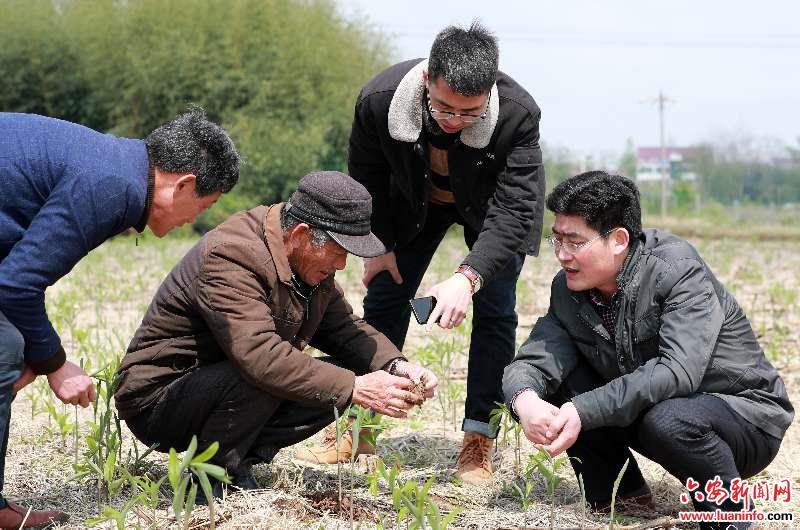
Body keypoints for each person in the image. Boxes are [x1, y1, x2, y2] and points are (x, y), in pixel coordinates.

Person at [297, 22, 545, 485]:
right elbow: (366, 177)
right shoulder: (379, 100)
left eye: (469, 114)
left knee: (495, 312)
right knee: (384, 301)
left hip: (491, 213)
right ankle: (358, 425)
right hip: (411, 205)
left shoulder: (517, 114)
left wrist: (468, 277)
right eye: (444, 106)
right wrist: (378, 245)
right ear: (429, 77)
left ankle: (479, 439)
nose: (453, 120)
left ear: (489, 93)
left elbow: (515, 209)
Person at [114, 171, 438, 498]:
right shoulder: (232, 254)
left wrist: (397, 367)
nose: (342, 265)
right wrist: (354, 388)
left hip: (218, 384)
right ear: (301, 234)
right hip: (158, 399)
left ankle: (237, 460)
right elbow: (259, 356)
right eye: (339, 251)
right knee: (283, 372)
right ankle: (208, 478)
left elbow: (345, 329)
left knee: (344, 373)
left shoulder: (307, 265)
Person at [503, 171, 793, 529]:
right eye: (556, 239)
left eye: (575, 242)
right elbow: (534, 359)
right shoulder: (569, 290)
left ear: (618, 240)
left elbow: (677, 372)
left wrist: (582, 410)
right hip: (656, 414)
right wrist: (526, 400)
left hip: (742, 419)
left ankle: (730, 518)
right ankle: (623, 498)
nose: (562, 255)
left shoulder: (676, 271)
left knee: (669, 420)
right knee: (553, 386)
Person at [0, 108, 239, 528]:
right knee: (5, 352)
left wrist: (38, 355)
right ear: (184, 185)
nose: (194, 220)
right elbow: (16, 285)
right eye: (204, 205)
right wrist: (55, 365)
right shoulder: (112, 186)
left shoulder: (114, 166)